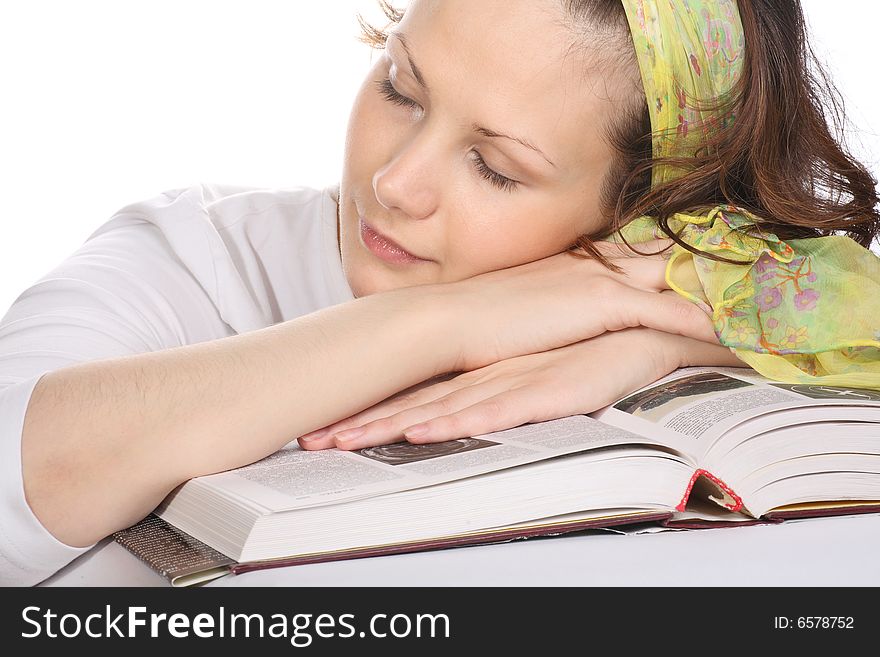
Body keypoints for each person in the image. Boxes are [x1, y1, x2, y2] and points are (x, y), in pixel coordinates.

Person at [0, 0, 877, 587]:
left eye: (495, 169)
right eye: (401, 89)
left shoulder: (679, 295)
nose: (394, 181)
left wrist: (652, 345)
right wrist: (440, 321)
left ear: (638, 210)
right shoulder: (193, 251)